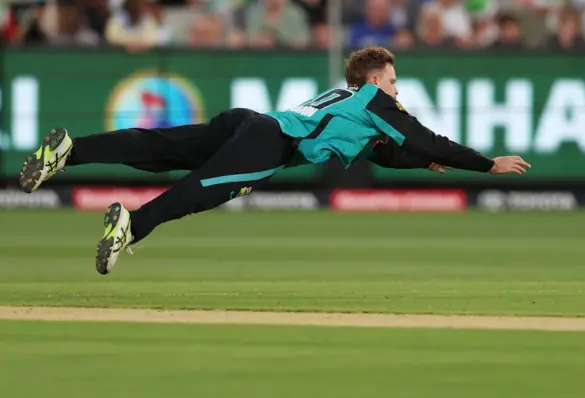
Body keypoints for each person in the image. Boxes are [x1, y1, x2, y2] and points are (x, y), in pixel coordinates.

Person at [18, 46, 530, 276]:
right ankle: (132, 224)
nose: (397, 90)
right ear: (375, 80)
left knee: (160, 150)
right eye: (393, 80)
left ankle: (73, 150)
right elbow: (427, 137)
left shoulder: (345, 100)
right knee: (205, 189)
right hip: (268, 142)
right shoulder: (376, 103)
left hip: (251, 122)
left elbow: (393, 152)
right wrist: (488, 165)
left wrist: (422, 164)